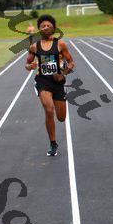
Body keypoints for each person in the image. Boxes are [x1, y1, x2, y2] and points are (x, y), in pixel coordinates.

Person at [25, 15, 74, 156]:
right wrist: (30, 66)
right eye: (42, 26)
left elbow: (71, 63)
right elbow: (27, 64)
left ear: (53, 28)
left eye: (48, 25)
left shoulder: (60, 44)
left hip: (57, 82)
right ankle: (53, 143)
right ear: (39, 29)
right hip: (42, 81)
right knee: (48, 109)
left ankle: (53, 140)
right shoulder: (34, 47)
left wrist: (63, 74)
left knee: (61, 118)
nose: (45, 28)